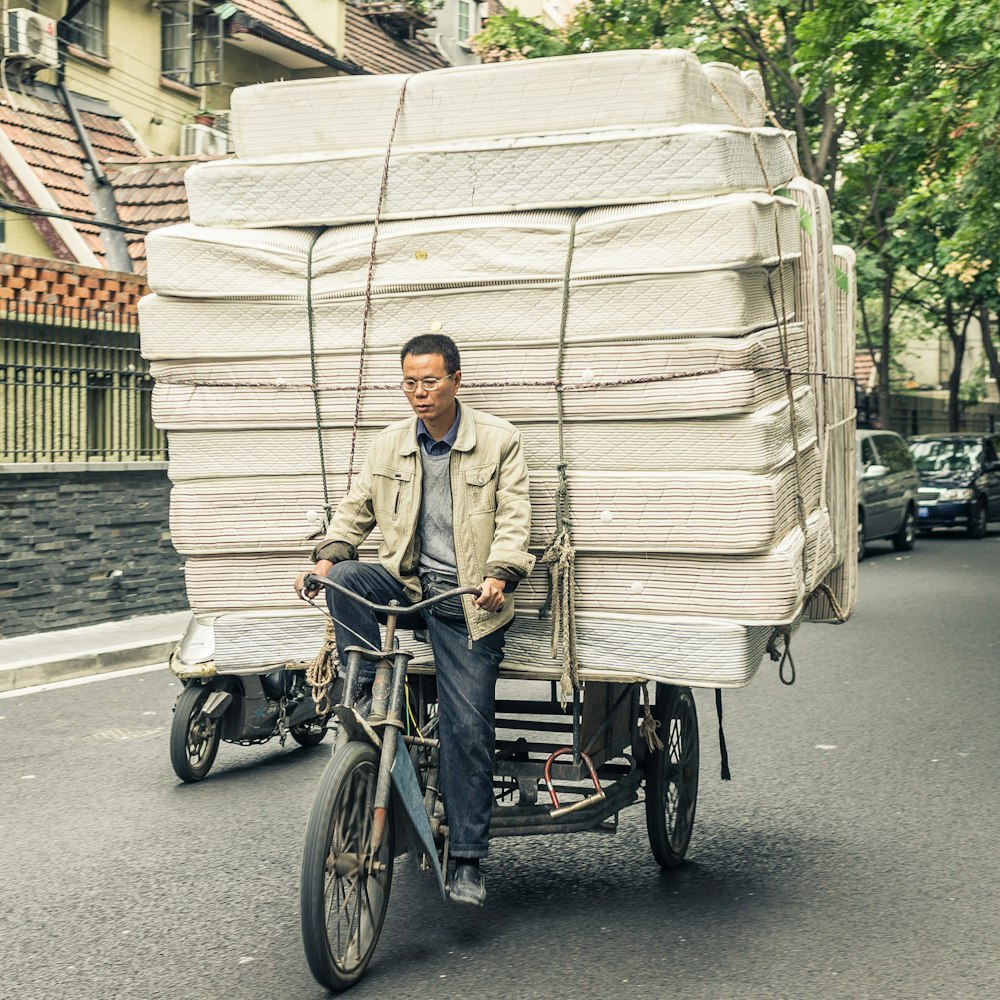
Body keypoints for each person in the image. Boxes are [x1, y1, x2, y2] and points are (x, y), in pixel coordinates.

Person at [294, 333, 534, 906]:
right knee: (346, 579)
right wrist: (328, 557)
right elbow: (355, 513)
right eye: (409, 382)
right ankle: (362, 683)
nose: (419, 393)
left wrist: (501, 575)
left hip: (468, 604)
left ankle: (470, 859)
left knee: (466, 726)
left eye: (429, 381)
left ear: (455, 379)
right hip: (405, 587)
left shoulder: (499, 441)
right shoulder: (388, 445)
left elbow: (515, 520)